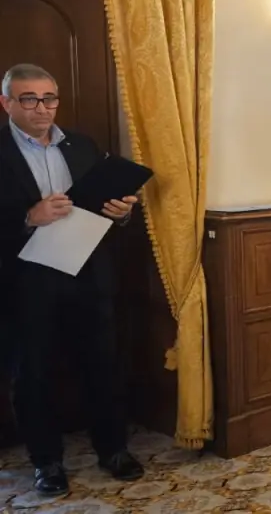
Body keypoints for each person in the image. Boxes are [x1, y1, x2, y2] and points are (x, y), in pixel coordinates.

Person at [0, 63, 144, 497]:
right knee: (33, 374)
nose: (41, 108)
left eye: (49, 98)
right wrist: (29, 216)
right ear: (7, 103)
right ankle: (46, 462)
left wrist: (122, 213)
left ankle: (113, 449)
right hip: (27, 280)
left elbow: (100, 204)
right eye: (29, 98)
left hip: (88, 272)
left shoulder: (82, 145)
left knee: (102, 364)